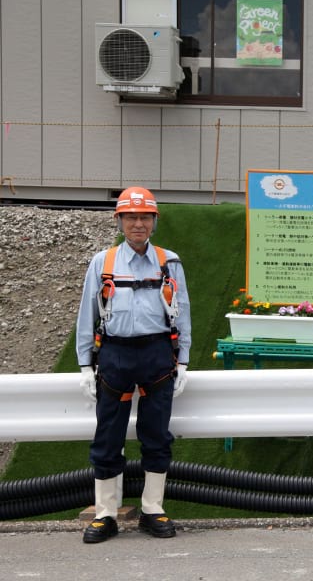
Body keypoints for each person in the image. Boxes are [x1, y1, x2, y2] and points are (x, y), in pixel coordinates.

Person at [76, 187, 191, 544]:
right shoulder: (103, 262)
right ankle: (105, 514)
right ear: (120, 221)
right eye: (131, 217)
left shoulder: (169, 262)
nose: (138, 224)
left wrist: (183, 360)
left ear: (154, 221)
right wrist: (85, 365)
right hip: (115, 355)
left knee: (157, 434)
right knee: (108, 436)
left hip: (158, 354)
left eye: (144, 217)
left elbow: (183, 312)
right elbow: (87, 315)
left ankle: (152, 509)